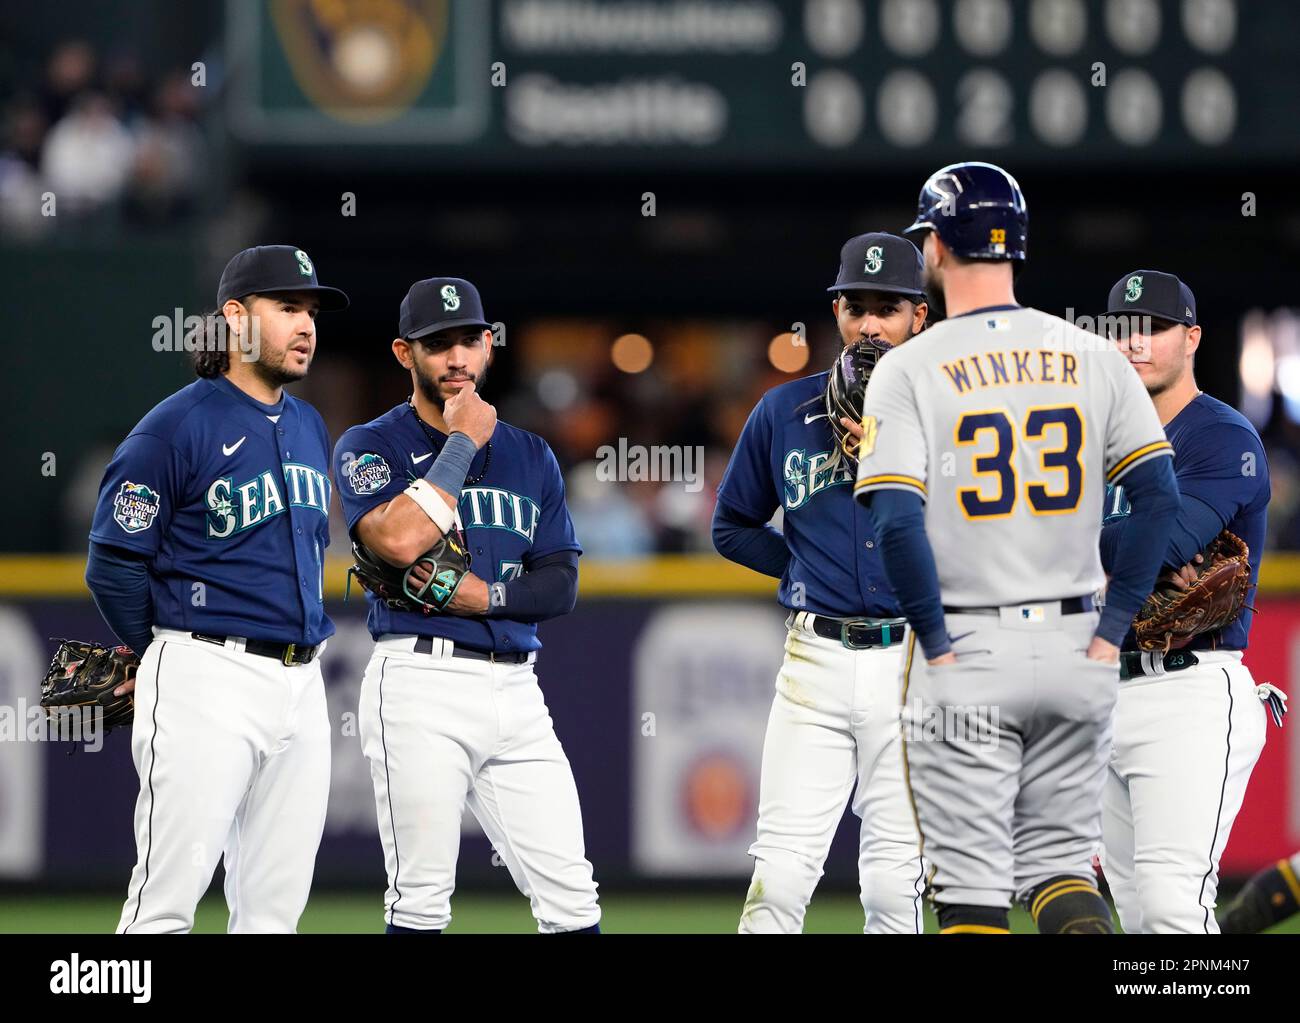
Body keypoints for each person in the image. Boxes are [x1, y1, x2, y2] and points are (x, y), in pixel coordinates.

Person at [854, 162, 1180, 934]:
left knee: (970, 887)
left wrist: (934, 645)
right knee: (1063, 870)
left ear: (935, 244)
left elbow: (898, 524)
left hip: (966, 640)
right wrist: (1114, 627)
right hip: (1078, 642)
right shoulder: (1093, 355)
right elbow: (1159, 496)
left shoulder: (908, 367)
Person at [85, 244, 348, 932]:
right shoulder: (174, 426)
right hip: (206, 671)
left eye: (312, 310)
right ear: (236, 316)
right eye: (288, 306)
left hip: (301, 681)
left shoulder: (309, 426)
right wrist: (168, 651)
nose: (307, 324)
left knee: (273, 914)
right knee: (165, 904)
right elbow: (112, 562)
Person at [333, 276, 600, 933]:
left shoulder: (531, 453)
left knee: (572, 899)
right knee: (422, 899)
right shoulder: (370, 445)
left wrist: (486, 594)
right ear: (405, 353)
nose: (456, 358)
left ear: (489, 344)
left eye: (468, 341)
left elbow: (559, 584)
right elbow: (397, 539)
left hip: (517, 688)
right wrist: (461, 444)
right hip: (420, 680)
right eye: (437, 344)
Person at [715, 232, 929, 934]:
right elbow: (732, 525)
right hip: (817, 662)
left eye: (888, 308)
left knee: (896, 888)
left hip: (912, 664)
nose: (871, 324)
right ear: (836, 311)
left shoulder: (956, 416)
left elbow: (985, 539)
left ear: (918, 318)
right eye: (857, 306)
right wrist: (804, 566)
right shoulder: (783, 412)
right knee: (778, 876)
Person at [1097, 270, 1276, 933]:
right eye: (1121, 329)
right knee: (1140, 915)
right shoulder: (1089, 439)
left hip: (1191, 692)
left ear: (1192, 337)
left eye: (1154, 328)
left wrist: (1064, 541)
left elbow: (1167, 544)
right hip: (1104, 685)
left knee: (1173, 910)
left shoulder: (1223, 438)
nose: (1135, 342)